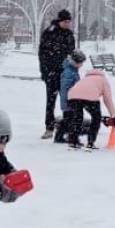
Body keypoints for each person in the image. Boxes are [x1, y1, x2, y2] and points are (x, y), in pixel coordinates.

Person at [37, 9, 76, 138]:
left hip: (66, 74)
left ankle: (66, 127)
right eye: (66, 21)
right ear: (60, 21)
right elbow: (42, 54)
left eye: (69, 21)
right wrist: (44, 72)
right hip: (52, 73)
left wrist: (73, 72)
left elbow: (72, 55)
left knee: (67, 101)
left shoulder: (69, 35)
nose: (68, 24)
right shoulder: (49, 33)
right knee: (51, 101)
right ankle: (49, 127)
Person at [65, 65, 115, 150]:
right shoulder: (103, 80)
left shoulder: (85, 79)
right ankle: (90, 142)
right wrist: (114, 116)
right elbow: (107, 100)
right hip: (90, 98)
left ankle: (73, 141)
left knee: (77, 118)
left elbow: (79, 91)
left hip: (72, 96)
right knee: (96, 118)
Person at [53, 50, 86, 143]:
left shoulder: (72, 70)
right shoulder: (69, 72)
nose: (82, 65)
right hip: (70, 100)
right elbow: (65, 88)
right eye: (81, 63)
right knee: (74, 120)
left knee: (68, 120)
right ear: (75, 62)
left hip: (70, 100)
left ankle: (59, 137)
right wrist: (71, 99)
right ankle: (72, 138)